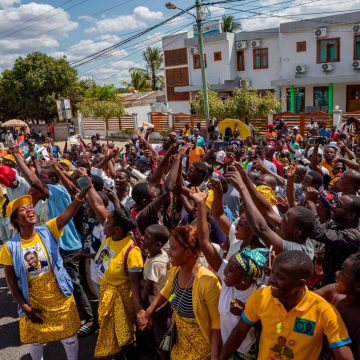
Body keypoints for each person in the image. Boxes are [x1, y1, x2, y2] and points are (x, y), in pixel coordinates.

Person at [0, 190, 89, 360]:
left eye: (30, 207)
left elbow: (67, 215)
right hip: (33, 300)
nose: (29, 210)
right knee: (36, 339)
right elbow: (11, 281)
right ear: (16, 220)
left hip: (59, 295)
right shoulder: (9, 247)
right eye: (23, 210)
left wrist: (80, 195)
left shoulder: (48, 230)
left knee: (69, 336)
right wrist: (24, 306)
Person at [218, 250, 354, 360]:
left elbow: (343, 354)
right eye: (272, 274)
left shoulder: (324, 312)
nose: (271, 280)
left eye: (280, 277)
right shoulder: (261, 296)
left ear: (300, 283)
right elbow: (240, 332)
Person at [191, 186, 268, 359]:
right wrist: (202, 205)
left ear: (244, 280)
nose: (224, 271)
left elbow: (274, 326)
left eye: (230, 269)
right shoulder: (228, 281)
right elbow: (204, 243)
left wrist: (245, 313)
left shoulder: (260, 295)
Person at [139, 225, 222, 360]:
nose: (169, 253)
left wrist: (214, 358)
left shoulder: (208, 282)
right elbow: (168, 290)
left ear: (188, 252)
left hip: (200, 351)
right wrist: (148, 313)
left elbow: (216, 326)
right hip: (179, 343)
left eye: (173, 249)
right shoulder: (175, 269)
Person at [316, 252, 360, 359]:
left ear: (358, 285)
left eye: (343, 273)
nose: (337, 273)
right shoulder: (332, 293)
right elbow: (305, 298)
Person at [142, 224, 171, 360]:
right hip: (162, 302)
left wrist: (141, 306)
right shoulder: (159, 253)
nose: (142, 238)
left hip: (157, 305)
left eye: (147, 237)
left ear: (157, 244)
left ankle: (163, 356)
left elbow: (146, 290)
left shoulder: (155, 264)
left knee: (160, 335)